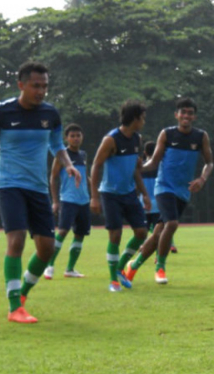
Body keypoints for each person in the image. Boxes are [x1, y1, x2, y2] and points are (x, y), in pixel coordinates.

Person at [0, 61, 82, 324]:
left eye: (45, 86)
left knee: (46, 249)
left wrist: (68, 166)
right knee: (17, 241)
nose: (41, 91)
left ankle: (21, 295)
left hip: (38, 188)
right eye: (36, 85)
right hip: (9, 185)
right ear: (21, 85)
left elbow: (57, 145)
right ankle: (14, 308)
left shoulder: (51, 114)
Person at [122, 97, 214, 285]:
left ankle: (133, 266)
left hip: (183, 191)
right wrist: (138, 168)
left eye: (190, 113)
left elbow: (209, 162)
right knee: (171, 224)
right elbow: (154, 162)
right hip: (163, 187)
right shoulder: (167, 134)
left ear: (194, 117)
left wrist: (202, 179)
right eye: (183, 112)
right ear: (177, 115)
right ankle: (160, 267)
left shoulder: (201, 136)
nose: (186, 116)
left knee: (158, 233)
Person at [89, 99, 151, 292]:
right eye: (142, 118)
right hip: (110, 194)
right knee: (115, 235)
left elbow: (135, 169)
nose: (144, 121)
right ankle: (113, 280)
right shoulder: (111, 139)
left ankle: (119, 267)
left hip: (130, 193)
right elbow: (96, 165)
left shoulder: (137, 139)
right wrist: (94, 196)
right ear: (134, 118)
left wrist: (145, 194)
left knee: (141, 233)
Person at [45, 123, 91, 279]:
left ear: (82, 137)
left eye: (78, 135)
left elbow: (86, 176)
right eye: (72, 136)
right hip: (68, 199)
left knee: (80, 234)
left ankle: (70, 269)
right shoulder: (61, 155)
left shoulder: (84, 155)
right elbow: (52, 178)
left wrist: (94, 193)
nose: (76, 138)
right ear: (66, 138)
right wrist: (55, 201)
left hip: (83, 200)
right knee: (63, 232)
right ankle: (49, 266)